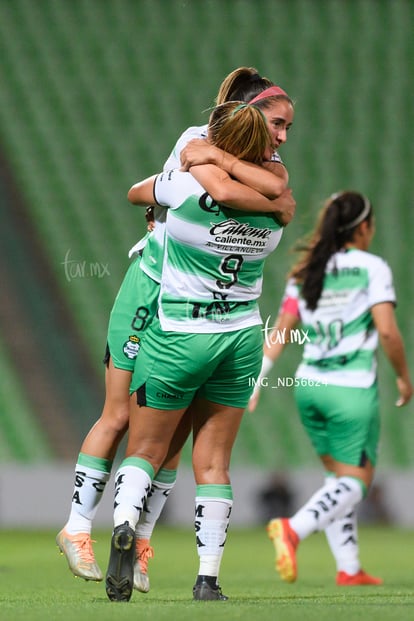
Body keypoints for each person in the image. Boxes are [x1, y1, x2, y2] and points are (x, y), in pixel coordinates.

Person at [56, 67, 295, 589]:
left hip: (188, 312)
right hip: (151, 291)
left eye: (286, 131)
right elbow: (231, 194)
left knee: (175, 434)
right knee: (121, 415)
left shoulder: (256, 159)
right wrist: (217, 177)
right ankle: (76, 529)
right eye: (277, 126)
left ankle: (138, 541)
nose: (281, 139)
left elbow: (277, 191)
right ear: (250, 117)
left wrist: (232, 172)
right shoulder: (195, 140)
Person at [249, 190, 412, 586]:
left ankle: (349, 566)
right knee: (356, 481)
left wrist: (256, 381)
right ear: (364, 227)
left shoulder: (305, 271)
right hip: (350, 388)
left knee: (336, 477)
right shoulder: (372, 268)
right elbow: (388, 332)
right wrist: (404, 377)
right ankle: (294, 528)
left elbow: (281, 332)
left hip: (309, 387)